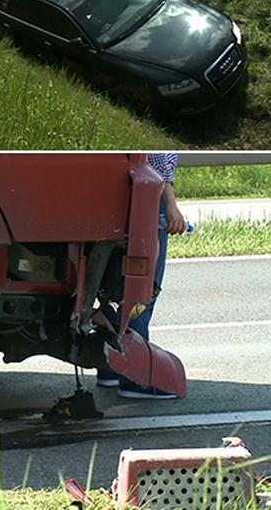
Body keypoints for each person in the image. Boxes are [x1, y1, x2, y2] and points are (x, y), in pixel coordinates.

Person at [98, 153, 188, 399]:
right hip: (146, 193)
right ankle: (134, 376)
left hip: (112, 188)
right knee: (142, 289)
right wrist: (170, 204)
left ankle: (109, 366)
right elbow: (156, 159)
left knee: (112, 282)